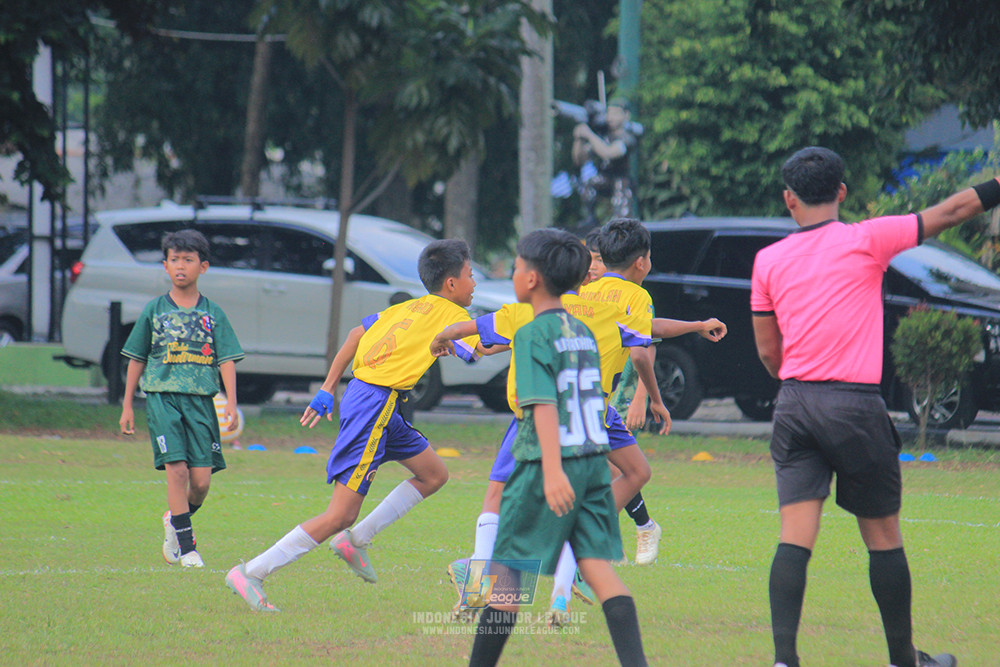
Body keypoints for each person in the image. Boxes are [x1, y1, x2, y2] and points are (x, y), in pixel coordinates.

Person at [751, 146, 1000, 667]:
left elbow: (769, 353)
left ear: (789, 199)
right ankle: (903, 661)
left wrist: (799, 380)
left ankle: (783, 660)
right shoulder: (868, 238)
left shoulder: (767, 260)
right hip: (854, 405)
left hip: (795, 403)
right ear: (842, 192)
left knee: (794, 537)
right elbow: (952, 211)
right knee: (883, 537)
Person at [434, 231, 725, 625]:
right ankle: (561, 594)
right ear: (584, 275)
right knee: (606, 489)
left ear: (535, 276)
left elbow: (474, 334)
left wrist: (444, 337)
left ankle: (485, 584)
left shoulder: (524, 311)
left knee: (500, 499)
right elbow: (648, 332)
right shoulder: (603, 311)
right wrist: (695, 326)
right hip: (589, 416)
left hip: (539, 417)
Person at [225, 239, 485, 612]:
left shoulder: (407, 307)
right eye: (471, 275)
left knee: (434, 474)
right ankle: (252, 572)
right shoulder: (450, 315)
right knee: (340, 514)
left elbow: (354, 336)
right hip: (374, 408)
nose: (474, 283)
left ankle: (356, 540)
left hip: (376, 402)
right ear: (451, 283)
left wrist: (327, 388)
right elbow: (483, 347)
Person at [465, 228, 647, 667]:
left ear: (531, 278)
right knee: (600, 573)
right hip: (591, 461)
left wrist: (550, 471)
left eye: (516, 266)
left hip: (544, 464)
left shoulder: (533, 333)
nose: (513, 273)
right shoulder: (581, 330)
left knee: (507, 582)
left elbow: (542, 404)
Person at [119, 229, 244, 569]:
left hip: (201, 403)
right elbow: (136, 358)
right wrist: (128, 404)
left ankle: (175, 519)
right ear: (165, 265)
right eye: (174, 259)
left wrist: (232, 402)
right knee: (176, 471)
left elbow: (227, 360)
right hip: (163, 399)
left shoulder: (213, 313)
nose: (180, 266)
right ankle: (188, 550)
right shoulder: (154, 310)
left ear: (203, 267)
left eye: (188, 260)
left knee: (200, 482)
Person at [572, 98, 639, 226]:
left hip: (621, 180)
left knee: (622, 190)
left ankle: (623, 222)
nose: (611, 117)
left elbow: (608, 153)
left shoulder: (627, 137)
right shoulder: (602, 135)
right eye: (609, 113)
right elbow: (579, 160)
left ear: (626, 115)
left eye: (615, 113)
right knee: (588, 183)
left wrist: (589, 135)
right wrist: (579, 139)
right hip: (604, 178)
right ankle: (590, 218)